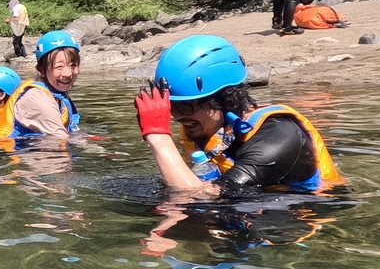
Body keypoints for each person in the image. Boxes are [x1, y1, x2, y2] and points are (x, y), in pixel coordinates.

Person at [133, 34, 345, 195]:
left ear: (225, 99)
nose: (177, 116)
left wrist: (159, 137)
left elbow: (198, 198)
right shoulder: (201, 125)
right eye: (171, 107)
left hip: (298, 215)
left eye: (186, 106)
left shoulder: (278, 138)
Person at [12, 30, 82, 139]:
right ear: (41, 70)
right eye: (59, 67)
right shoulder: (37, 99)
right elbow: (60, 140)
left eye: (73, 65)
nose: (68, 73)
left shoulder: (55, 92)